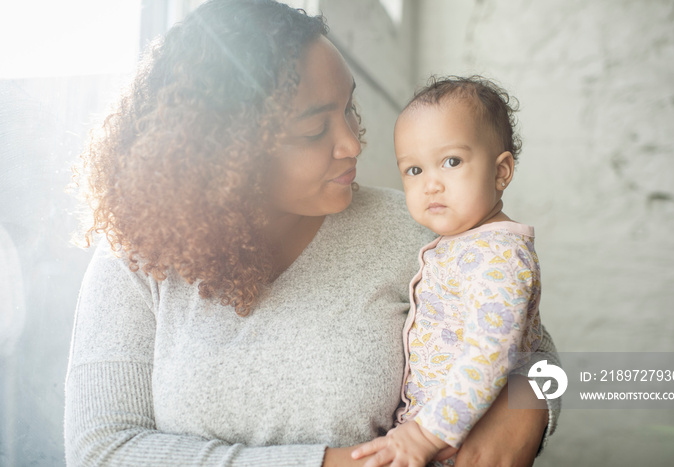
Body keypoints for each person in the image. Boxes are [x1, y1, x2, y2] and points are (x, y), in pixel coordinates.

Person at [64, 1, 559, 466]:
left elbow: (541, 357)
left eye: (347, 109)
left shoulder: (420, 229)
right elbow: (103, 449)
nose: (351, 145)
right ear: (228, 156)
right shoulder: (137, 256)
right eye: (312, 131)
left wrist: (528, 412)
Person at [351, 76, 546, 467]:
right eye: (414, 170)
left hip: (456, 441)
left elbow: (490, 352)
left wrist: (427, 433)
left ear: (501, 172)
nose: (431, 185)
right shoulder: (462, 242)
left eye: (451, 162)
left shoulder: (500, 256)